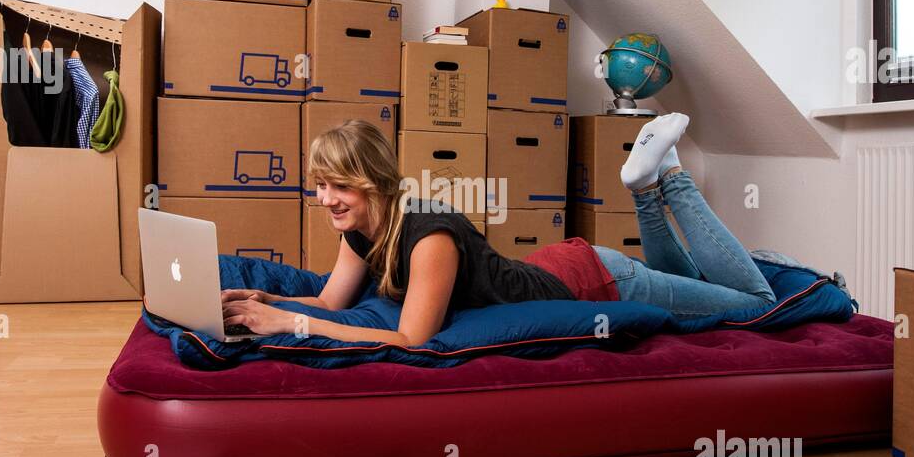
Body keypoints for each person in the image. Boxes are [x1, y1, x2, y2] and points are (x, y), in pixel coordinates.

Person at [220, 114, 776, 346]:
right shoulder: (362, 231)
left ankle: (669, 179)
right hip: (562, 267)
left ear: (371, 181)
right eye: (319, 186)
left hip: (597, 282)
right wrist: (262, 298)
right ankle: (649, 184)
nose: (324, 200)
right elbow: (329, 302)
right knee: (676, 278)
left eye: (336, 186)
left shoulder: (428, 235)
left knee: (758, 302)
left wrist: (289, 324)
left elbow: (410, 341)